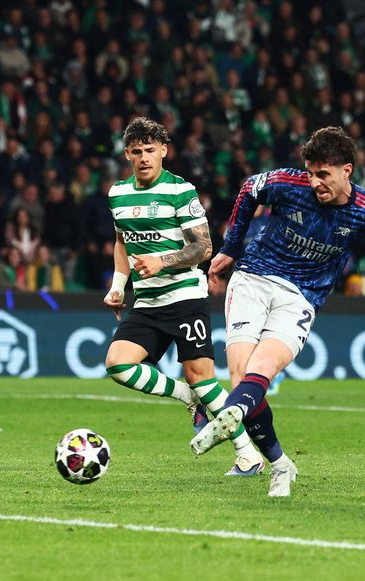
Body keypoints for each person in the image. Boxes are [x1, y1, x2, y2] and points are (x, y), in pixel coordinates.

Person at [192, 126, 365, 496]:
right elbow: (249, 189)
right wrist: (230, 246)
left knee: (262, 370)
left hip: (302, 295)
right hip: (254, 277)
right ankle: (278, 464)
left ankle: (234, 416)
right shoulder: (288, 184)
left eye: (324, 174)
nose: (315, 181)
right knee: (243, 375)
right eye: (311, 172)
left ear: (346, 171)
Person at [102, 116, 266, 477]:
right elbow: (121, 243)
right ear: (127, 155)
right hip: (146, 301)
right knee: (117, 364)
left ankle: (248, 454)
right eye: (136, 151)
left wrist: (162, 260)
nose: (144, 157)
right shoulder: (118, 194)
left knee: (202, 378)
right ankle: (188, 399)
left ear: (164, 150)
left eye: (150, 150)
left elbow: (204, 248)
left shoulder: (180, 190)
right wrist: (118, 285)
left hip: (184, 297)